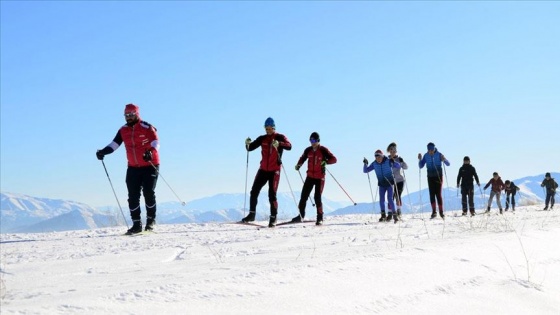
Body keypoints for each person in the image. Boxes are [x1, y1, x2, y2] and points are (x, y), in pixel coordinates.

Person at [96, 104, 160, 235]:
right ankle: (136, 224)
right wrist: (103, 152)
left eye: (131, 115)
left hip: (150, 165)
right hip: (133, 167)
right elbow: (114, 145)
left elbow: (155, 142)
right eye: (126, 115)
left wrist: (151, 152)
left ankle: (150, 222)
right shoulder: (123, 130)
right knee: (132, 196)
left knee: (148, 193)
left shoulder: (147, 127)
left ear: (137, 114)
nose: (129, 117)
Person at [242, 117, 292, 227]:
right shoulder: (262, 138)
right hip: (263, 169)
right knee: (254, 191)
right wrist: (247, 143)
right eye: (266, 129)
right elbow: (250, 148)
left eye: (270, 129)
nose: (268, 131)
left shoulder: (280, 137)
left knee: (272, 194)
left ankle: (273, 218)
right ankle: (252, 214)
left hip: (275, 171)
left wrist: (279, 144)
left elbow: (289, 146)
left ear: (274, 128)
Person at [293, 132, 337, 225]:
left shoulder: (323, 150)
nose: (312, 142)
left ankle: (320, 217)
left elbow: (334, 159)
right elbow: (303, 158)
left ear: (318, 141)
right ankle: (301, 215)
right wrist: (298, 165)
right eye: (311, 140)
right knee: (303, 196)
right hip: (310, 176)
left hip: (320, 178)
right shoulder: (308, 150)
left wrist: (326, 162)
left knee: (317, 197)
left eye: (314, 140)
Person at [364, 149, 401, 223]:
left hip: (389, 183)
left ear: (382, 156)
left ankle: (394, 215)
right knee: (381, 200)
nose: (378, 159)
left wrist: (393, 161)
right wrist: (365, 164)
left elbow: (398, 166)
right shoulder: (374, 164)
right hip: (381, 184)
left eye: (379, 157)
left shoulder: (388, 161)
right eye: (376, 157)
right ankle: (383, 215)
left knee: (390, 199)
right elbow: (365, 171)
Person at [418, 142, 450, 219]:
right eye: (429, 150)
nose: (431, 152)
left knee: (438, 194)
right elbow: (421, 166)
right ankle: (434, 212)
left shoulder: (439, 154)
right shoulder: (426, 156)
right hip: (430, 177)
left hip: (438, 176)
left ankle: (441, 212)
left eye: (432, 150)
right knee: (432, 194)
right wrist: (420, 159)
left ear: (434, 149)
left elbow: (448, 164)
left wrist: (444, 159)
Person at [387, 142, 408, 220]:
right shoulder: (387, 160)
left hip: (400, 181)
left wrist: (402, 162)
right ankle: (389, 213)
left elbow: (406, 167)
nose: (392, 153)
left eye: (394, 151)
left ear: (396, 151)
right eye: (391, 151)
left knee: (397, 195)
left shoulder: (399, 159)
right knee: (390, 197)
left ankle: (398, 210)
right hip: (391, 181)